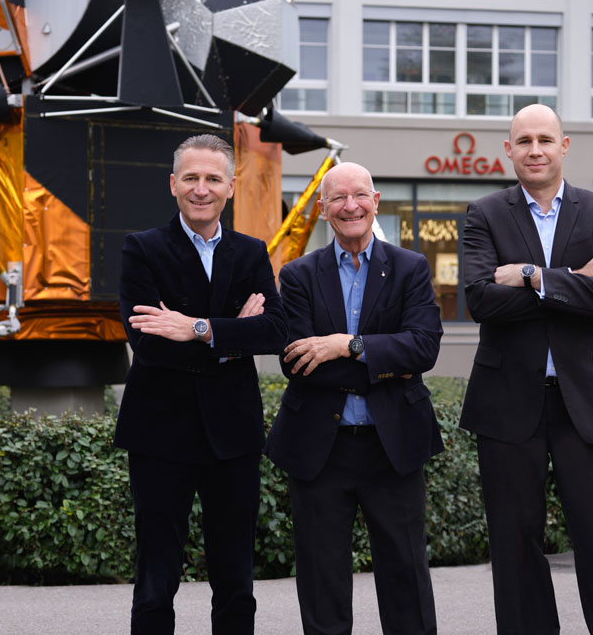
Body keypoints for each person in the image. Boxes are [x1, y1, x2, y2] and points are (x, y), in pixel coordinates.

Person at [459, 104, 593, 635]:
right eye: (524, 141)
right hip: (506, 406)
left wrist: (532, 277)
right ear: (509, 150)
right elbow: (481, 301)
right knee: (515, 549)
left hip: (585, 403)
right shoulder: (484, 214)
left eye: (546, 139)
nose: (535, 149)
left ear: (564, 146)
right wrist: (578, 279)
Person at [114, 134, 288, 634]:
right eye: (190, 177)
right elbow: (148, 344)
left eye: (213, 179)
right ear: (173, 184)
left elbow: (275, 332)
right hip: (159, 436)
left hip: (232, 437)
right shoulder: (142, 249)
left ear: (230, 187)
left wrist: (198, 327)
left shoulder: (252, 253)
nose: (201, 189)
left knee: (235, 579)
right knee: (156, 578)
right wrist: (234, 331)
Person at [266, 162, 443, 635]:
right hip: (320, 447)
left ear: (375, 200)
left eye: (359, 195)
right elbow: (296, 362)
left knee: (406, 577)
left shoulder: (410, 268)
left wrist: (348, 346)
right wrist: (388, 360)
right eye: (338, 198)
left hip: (393, 446)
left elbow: (425, 347)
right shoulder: (298, 275)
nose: (350, 206)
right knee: (323, 584)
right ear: (323, 210)